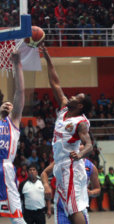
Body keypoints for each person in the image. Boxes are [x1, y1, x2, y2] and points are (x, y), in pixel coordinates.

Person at [40, 45, 93, 224]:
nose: (71, 97)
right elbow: (55, 83)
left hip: (71, 166)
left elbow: (89, 145)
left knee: (73, 208)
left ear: (80, 106)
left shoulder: (81, 122)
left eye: (76, 98)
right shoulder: (64, 109)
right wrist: (47, 58)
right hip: (61, 166)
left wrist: (80, 154)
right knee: (68, 207)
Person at [0, 52, 27, 224]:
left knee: (17, 219)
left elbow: (20, 91)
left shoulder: (13, 119)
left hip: (5, 169)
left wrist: (17, 65)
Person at [41, 158, 100, 224]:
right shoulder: (62, 158)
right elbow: (44, 173)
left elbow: (98, 189)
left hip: (79, 206)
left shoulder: (90, 166)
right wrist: (46, 185)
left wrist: (90, 192)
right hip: (62, 206)